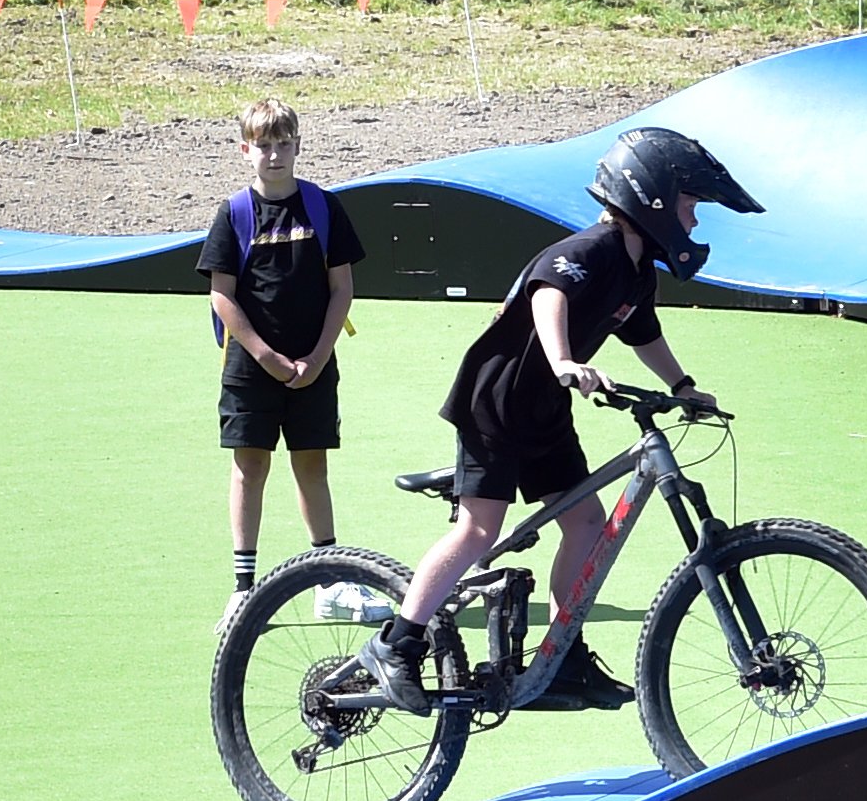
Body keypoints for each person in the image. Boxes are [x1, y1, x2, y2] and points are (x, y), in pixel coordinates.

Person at [353, 128, 756, 713]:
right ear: (656, 202)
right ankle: (396, 644)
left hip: (545, 411)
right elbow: (547, 292)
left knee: (587, 524)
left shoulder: (639, 272)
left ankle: (563, 655)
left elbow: (642, 332)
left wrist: (683, 387)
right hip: (497, 400)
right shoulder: (594, 248)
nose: (694, 222)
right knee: (479, 530)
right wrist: (565, 359)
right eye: (691, 205)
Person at [198, 99, 374, 618]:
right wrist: (265, 354)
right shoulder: (233, 215)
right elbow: (222, 296)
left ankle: (329, 585)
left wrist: (319, 355)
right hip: (251, 369)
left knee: (311, 465)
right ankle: (244, 589)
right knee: (249, 467)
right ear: (245, 150)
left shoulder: (323, 207)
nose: (274, 156)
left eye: (283, 144)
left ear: (297, 145)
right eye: (263, 146)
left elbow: (342, 287)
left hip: (313, 366)